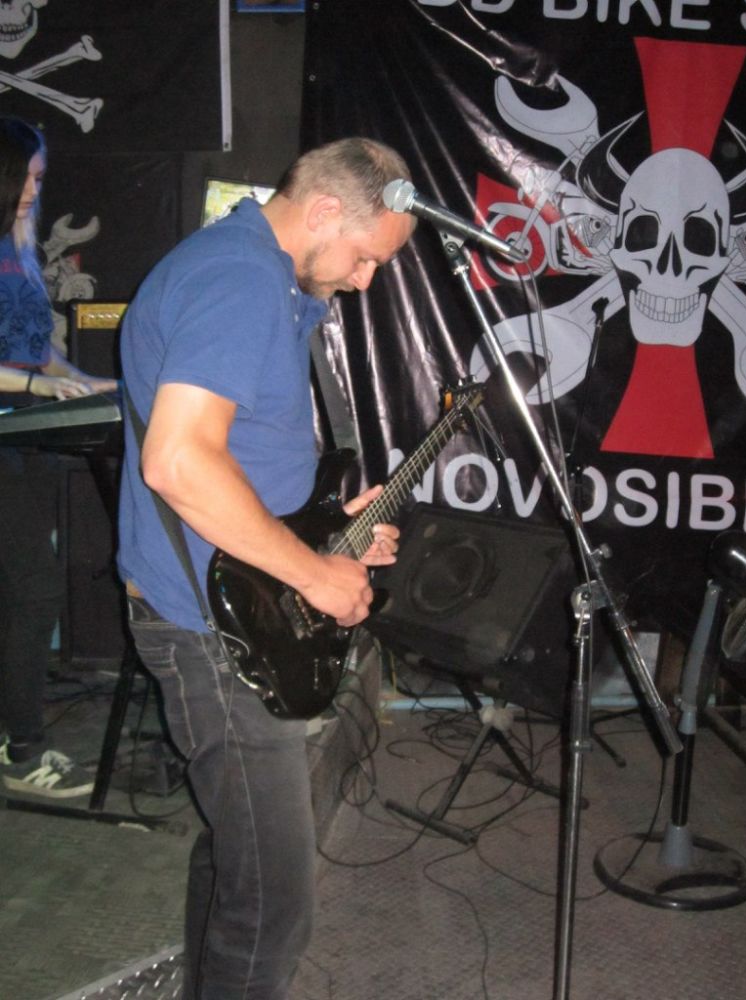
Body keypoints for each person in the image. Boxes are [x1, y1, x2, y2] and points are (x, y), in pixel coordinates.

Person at [117, 136, 414, 1000]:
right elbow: (178, 461)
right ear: (322, 211)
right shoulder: (240, 277)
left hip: (235, 602)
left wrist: (326, 538)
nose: (365, 280)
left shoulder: (269, 278)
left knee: (238, 856)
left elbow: (240, 459)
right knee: (274, 902)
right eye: (365, 257)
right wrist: (316, 578)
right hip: (212, 630)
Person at [0, 117, 118, 798]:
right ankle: (23, 752)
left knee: (18, 591)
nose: (34, 189)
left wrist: (85, 382)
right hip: (8, 432)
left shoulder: (16, 248)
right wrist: (34, 386)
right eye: (27, 176)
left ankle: (11, 737)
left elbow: (34, 348)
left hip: (25, 438)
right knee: (34, 589)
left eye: (39, 178)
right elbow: (22, 371)